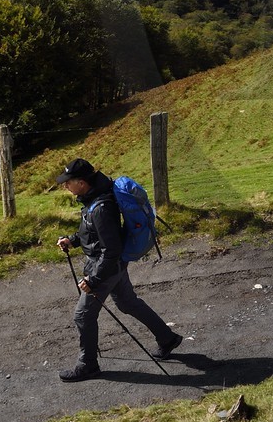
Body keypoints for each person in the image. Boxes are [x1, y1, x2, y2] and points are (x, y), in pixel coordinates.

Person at [53, 158, 182, 381]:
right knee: (127, 302)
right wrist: (73, 241)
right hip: (114, 266)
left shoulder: (100, 208)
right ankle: (167, 338)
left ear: (82, 183)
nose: (65, 186)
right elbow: (94, 234)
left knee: (82, 315)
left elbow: (110, 250)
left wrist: (93, 280)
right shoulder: (94, 200)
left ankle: (88, 366)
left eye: (68, 182)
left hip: (105, 267)